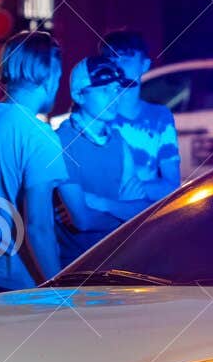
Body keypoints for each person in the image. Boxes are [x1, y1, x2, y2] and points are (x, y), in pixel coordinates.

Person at [0, 31, 90, 295]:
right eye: (58, 75)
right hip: (19, 287)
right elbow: (38, 227)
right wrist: (57, 291)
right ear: (49, 75)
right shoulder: (38, 135)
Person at [53, 54, 164, 265]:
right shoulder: (62, 142)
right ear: (79, 95)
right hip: (77, 270)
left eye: (116, 89)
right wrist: (123, 210)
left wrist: (100, 203)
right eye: (105, 90)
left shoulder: (118, 141)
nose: (115, 97)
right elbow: (82, 221)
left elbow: (144, 212)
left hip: (118, 263)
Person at [102, 30, 182, 193]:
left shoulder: (160, 117)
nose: (118, 67)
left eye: (126, 60)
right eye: (111, 60)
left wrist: (130, 192)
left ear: (144, 65)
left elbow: (171, 185)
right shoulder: (97, 117)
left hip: (145, 215)